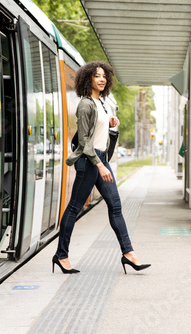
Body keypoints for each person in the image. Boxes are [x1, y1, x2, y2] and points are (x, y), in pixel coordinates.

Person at [52, 61, 150, 275]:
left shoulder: (102, 104)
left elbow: (100, 137)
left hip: (100, 159)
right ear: (88, 79)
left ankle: (128, 253)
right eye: (97, 75)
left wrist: (111, 125)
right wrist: (99, 165)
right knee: (73, 208)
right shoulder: (86, 104)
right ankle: (61, 255)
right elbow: (85, 142)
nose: (102, 79)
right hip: (90, 161)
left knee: (115, 206)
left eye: (104, 75)